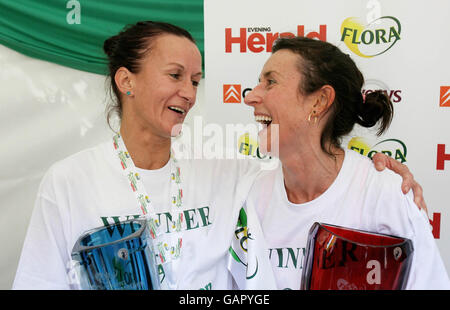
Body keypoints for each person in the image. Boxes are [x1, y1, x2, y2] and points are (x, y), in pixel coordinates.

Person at [13, 21, 424, 290]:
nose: (190, 93)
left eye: (196, 79)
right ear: (126, 81)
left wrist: (379, 173)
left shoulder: (231, 175)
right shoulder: (68, 180)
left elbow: (310, 171)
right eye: (175, 76)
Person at [239, 36, 450, 290]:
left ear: (319, 101)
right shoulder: (249, 194)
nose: (250, 97)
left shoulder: (387, 194)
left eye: (270, 82)